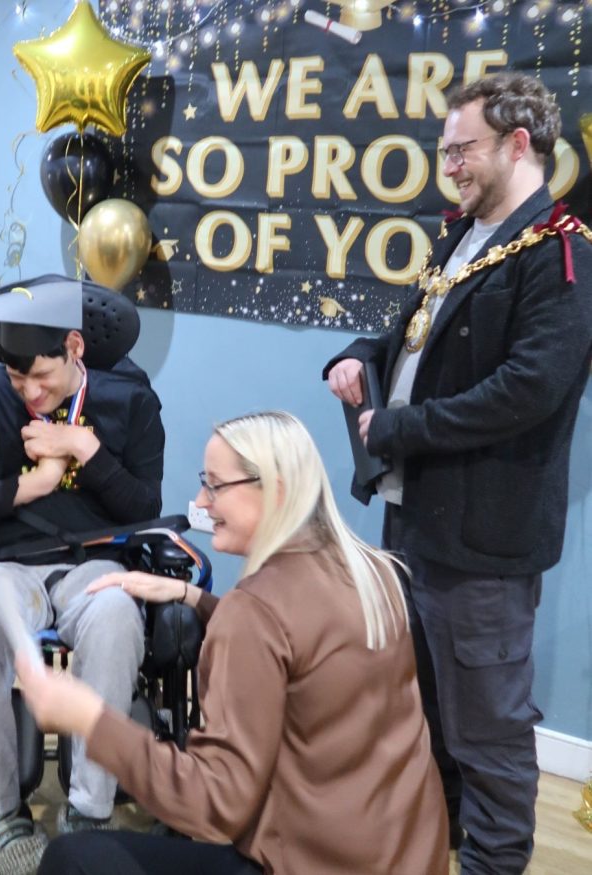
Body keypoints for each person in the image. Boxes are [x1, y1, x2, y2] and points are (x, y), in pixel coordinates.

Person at [324, 72, 592, 875]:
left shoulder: (563, 252)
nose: (451, 166)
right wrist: (356, 355)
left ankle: (494, 861)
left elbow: (528, 390)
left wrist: (401, 427)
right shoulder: (465, 236)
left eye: (462, 149)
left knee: (489, 731)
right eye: (445, 152)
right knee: (422, 711)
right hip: (415, 522)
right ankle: (426, 848)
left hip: (482, 540)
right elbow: (408, 334)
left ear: (520, 144)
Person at [17, 410, 449, 875]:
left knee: (71, 859)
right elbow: (303, 652)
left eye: (216, 486)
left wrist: (93, 722)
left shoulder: (256, 614)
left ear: (276, 490)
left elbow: (215, 808)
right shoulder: (376, 573)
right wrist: (193, 597)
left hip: (309, 863)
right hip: (407, 857)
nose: (201, 501)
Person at [0, 278, 165, 875]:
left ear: (74, 349)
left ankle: (89, 809)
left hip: (94, 563)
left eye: (43, 377)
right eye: (18, 380)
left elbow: (144, 508)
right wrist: (26, 486)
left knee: (116, 615)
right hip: (5, 565)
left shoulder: (130, 401)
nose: (31, 393)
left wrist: (86, 451)